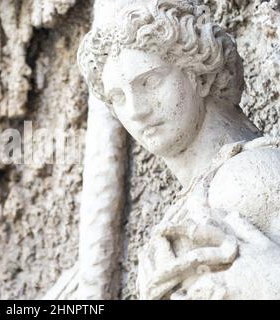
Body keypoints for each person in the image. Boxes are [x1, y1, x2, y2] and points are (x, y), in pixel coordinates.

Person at [77, 0, 280, 299]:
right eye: (118, 97)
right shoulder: (187, 212)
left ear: (200, 75)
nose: (136, 110)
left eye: (150, 82)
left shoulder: (248, 176)